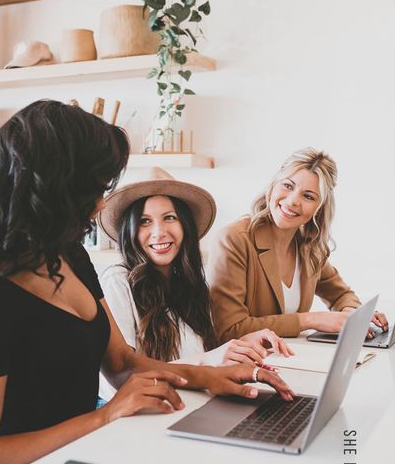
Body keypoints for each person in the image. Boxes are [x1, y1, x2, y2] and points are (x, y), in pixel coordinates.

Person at [0, 101, 294, 464]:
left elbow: (121, 362)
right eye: (95, 188)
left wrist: (209, 377)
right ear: (55, 187)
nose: (102, 203)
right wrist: (104, 417)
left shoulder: (70, 254)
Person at [96, 168, 293, 400]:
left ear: (185, 225)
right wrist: (208, 360)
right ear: (129, 230)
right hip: (137, 420)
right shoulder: (117, 282)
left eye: (169, 218)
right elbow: (116, 383)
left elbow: (196, 355)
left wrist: (237, 345)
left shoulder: (190, 281)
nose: (158, 232)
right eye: (144, 221)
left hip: (187, 403)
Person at [207, 148, 389, 340]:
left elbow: (341, 294)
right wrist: (310, 320)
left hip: (290, 359)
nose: (293, 201)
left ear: (319, 208)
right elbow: (229, 328)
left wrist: (352, 314)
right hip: (242, 366)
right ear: (273, 184)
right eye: (288, 185)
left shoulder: (309, 248)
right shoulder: (233, 239)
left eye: (308, 196)